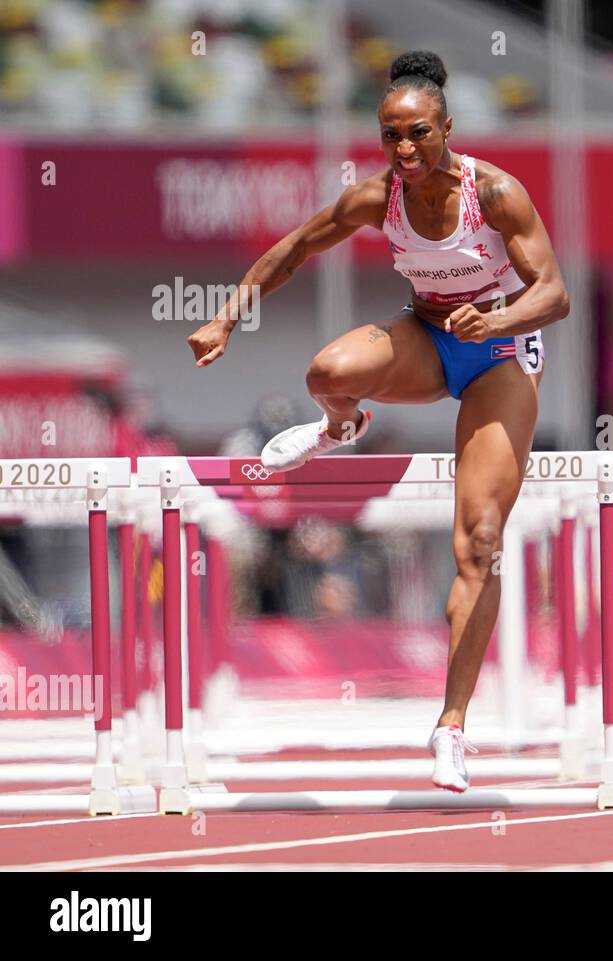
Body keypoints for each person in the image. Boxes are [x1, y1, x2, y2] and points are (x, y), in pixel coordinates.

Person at [185, 50, 569, 791]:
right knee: (327, 371)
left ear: (448, 127)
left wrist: (494, 318)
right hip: (427, 342)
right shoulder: (378, 197)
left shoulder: (497, 194)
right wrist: (227, 318)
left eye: (419, 133)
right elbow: (296, 247)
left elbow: (552, 294)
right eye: (391, 135)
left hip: (501, 356)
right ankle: (339, 425)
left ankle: (451, 727)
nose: (405, 150)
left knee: (480, 537)